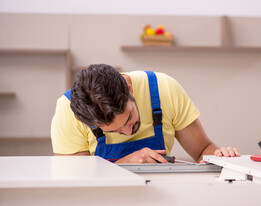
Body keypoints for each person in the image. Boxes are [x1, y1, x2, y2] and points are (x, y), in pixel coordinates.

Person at [51, 64, 240, 163]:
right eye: (114, 131)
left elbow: (201, 150)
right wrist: (124, 164)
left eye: (129, 119)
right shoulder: (67, 110)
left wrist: (221, 158)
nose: (127, 132)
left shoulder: (165, 88)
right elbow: (75, 182)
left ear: (129, 89)